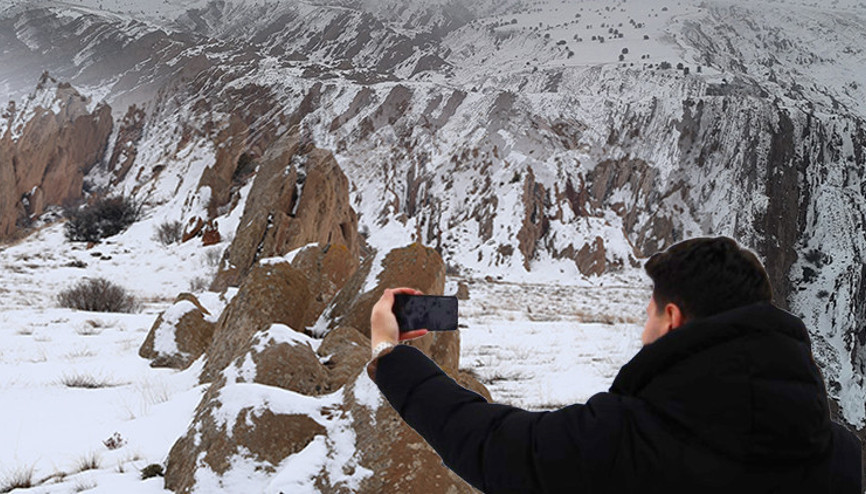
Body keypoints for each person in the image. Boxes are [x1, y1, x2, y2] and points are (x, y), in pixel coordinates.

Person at [366, 236, 862, 493]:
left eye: (648, 313)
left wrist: (390, 355)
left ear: (671, 318)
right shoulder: (842, 457)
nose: (642, 330)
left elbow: (488, 443)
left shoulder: (625, 442)